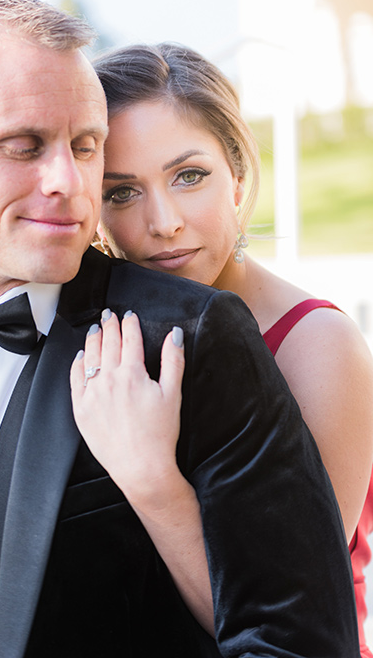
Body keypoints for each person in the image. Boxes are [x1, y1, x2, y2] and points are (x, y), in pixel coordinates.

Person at [0, 0, 361, 658]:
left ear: (237, 171)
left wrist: (150, 479)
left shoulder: (210, 336)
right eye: (24, 145)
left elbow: (300, 627)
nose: (66, 181)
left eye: (83, 148)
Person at [80, 41, 373, 654]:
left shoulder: (319, 345)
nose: (165, 222)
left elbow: (288, 611)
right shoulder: (100, 337)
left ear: (237, 176)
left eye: (189, 176)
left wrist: (151, 478)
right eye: (122, 192)